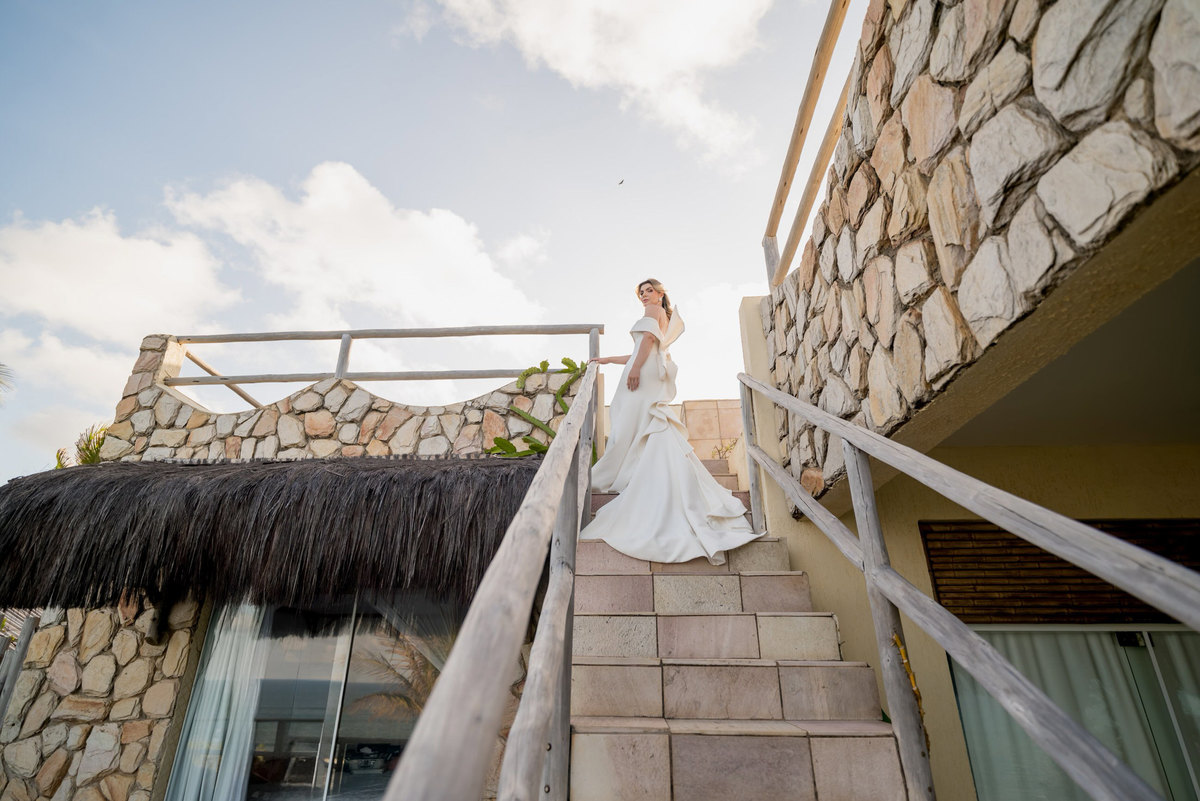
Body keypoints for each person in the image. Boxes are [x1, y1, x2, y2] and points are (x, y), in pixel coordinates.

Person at [580, 278, 761, 565]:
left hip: (643, 371)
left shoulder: (653, 312)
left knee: (628, 423)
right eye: (641, 293)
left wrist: (635, 369)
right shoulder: (661, 315)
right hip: (647, 368)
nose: (644, 296)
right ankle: (637, 467)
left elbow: (647, 342)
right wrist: (608, 360)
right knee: (642, 421)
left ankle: (621, 470)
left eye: (649, 291)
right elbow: (640, 348)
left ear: (660, 293)